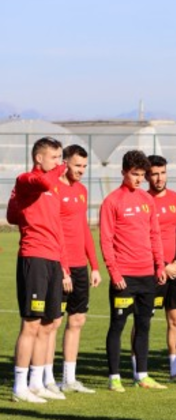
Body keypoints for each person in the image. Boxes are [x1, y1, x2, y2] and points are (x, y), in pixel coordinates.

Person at [99, 150, 167, 392]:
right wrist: (114, 273)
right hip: (124, 277)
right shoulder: (112, 201)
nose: (139, 179)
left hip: (147, 275)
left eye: (142, 175)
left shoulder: (147, 200)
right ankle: (114, 377)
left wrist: (159, 265)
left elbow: (155, 235)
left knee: (143, 325)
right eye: (134, 174)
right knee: (117, 325)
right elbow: (106, 240)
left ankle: (142, 375)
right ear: (123, 172)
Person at [9, 137, 69, 403]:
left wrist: (64, 266)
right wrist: (61, 169)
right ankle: (19, 386)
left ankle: (36, 382)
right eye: (54, 157)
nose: (58, 163)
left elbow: (57, 229)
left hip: (53, 260)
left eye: (60, 158)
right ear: (39, 158)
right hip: (34, 257)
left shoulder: (53, 188)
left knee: (49, 323)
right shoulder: (27, 180)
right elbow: (42, 183)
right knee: (31, 323)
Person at [56, 144, 100, 395]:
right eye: (77, 165)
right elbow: (53, 230)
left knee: (78, 319)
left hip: (80, 266)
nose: (82, 170)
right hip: (58, 265)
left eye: (84, 166)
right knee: (52, 322)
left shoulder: (82, 190)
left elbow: (84, 229)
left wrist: (94, 266)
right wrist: (63, 269)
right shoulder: (53, 189)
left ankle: (69, 379)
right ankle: (43, 379)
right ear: (64, 163)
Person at [146, 155, 176, 384]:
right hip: (150, 269)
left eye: (162, 173)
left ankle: (175, 371)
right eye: (154, 174)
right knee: (143, 319)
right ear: (147, 176)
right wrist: (161, 266)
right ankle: (139, 372)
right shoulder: (142, 200)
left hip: (175, 269)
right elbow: (141, 238)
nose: (159, 178)